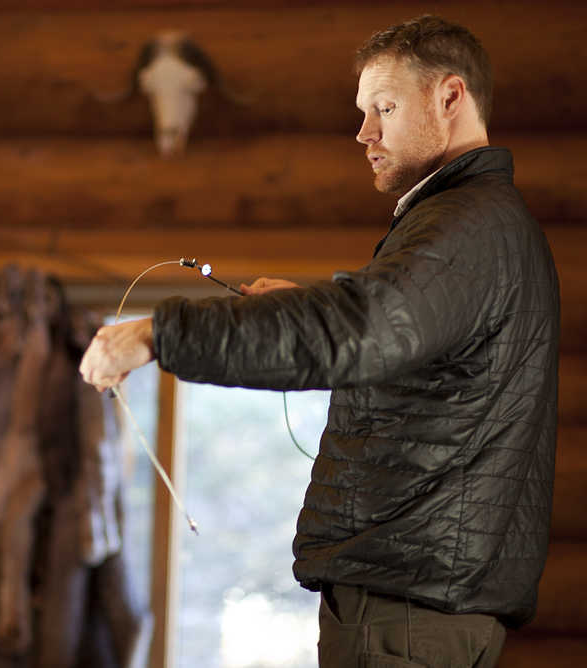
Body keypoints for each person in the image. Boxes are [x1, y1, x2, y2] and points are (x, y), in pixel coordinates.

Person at [80, 15, 559, 668]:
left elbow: (360, 329)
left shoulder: (468, 224)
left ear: (449, 98)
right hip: (422, 609)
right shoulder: (477, 224)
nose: (364, 133)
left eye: (383, 108)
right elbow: (401, 346)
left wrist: (158, 334)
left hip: (407, 615)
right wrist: (303, 304)